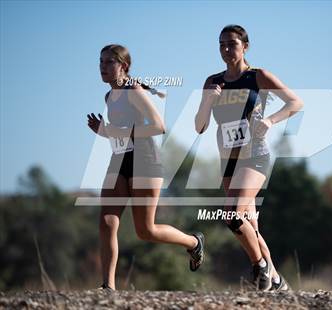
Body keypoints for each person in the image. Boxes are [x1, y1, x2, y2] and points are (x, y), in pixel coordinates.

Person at [87, 44, 204, 291]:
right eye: (101, 62)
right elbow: (119, 134)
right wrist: (106, 132)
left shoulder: (134, 91)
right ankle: (108, 286)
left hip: (145, 162)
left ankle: (193, 243)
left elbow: (158, 126)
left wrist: (111, 131)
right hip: (118, 161)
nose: (103, 67)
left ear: (124, 67)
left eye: (109, 62)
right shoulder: (109, 97)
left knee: (146, 230)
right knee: (106, 222)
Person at [195, 25, 303, 291]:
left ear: (245, 46)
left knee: (232, 215)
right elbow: (199, 126)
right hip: (229, 160)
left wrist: (270, 120)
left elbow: (295, 102)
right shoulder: (212, 82)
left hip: (255, 155)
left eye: (232, 44)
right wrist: (209, 101)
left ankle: (260, 267)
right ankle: (276, 280)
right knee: (250, 225)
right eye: (221, 44)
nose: (226, 49)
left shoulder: (258, 76)